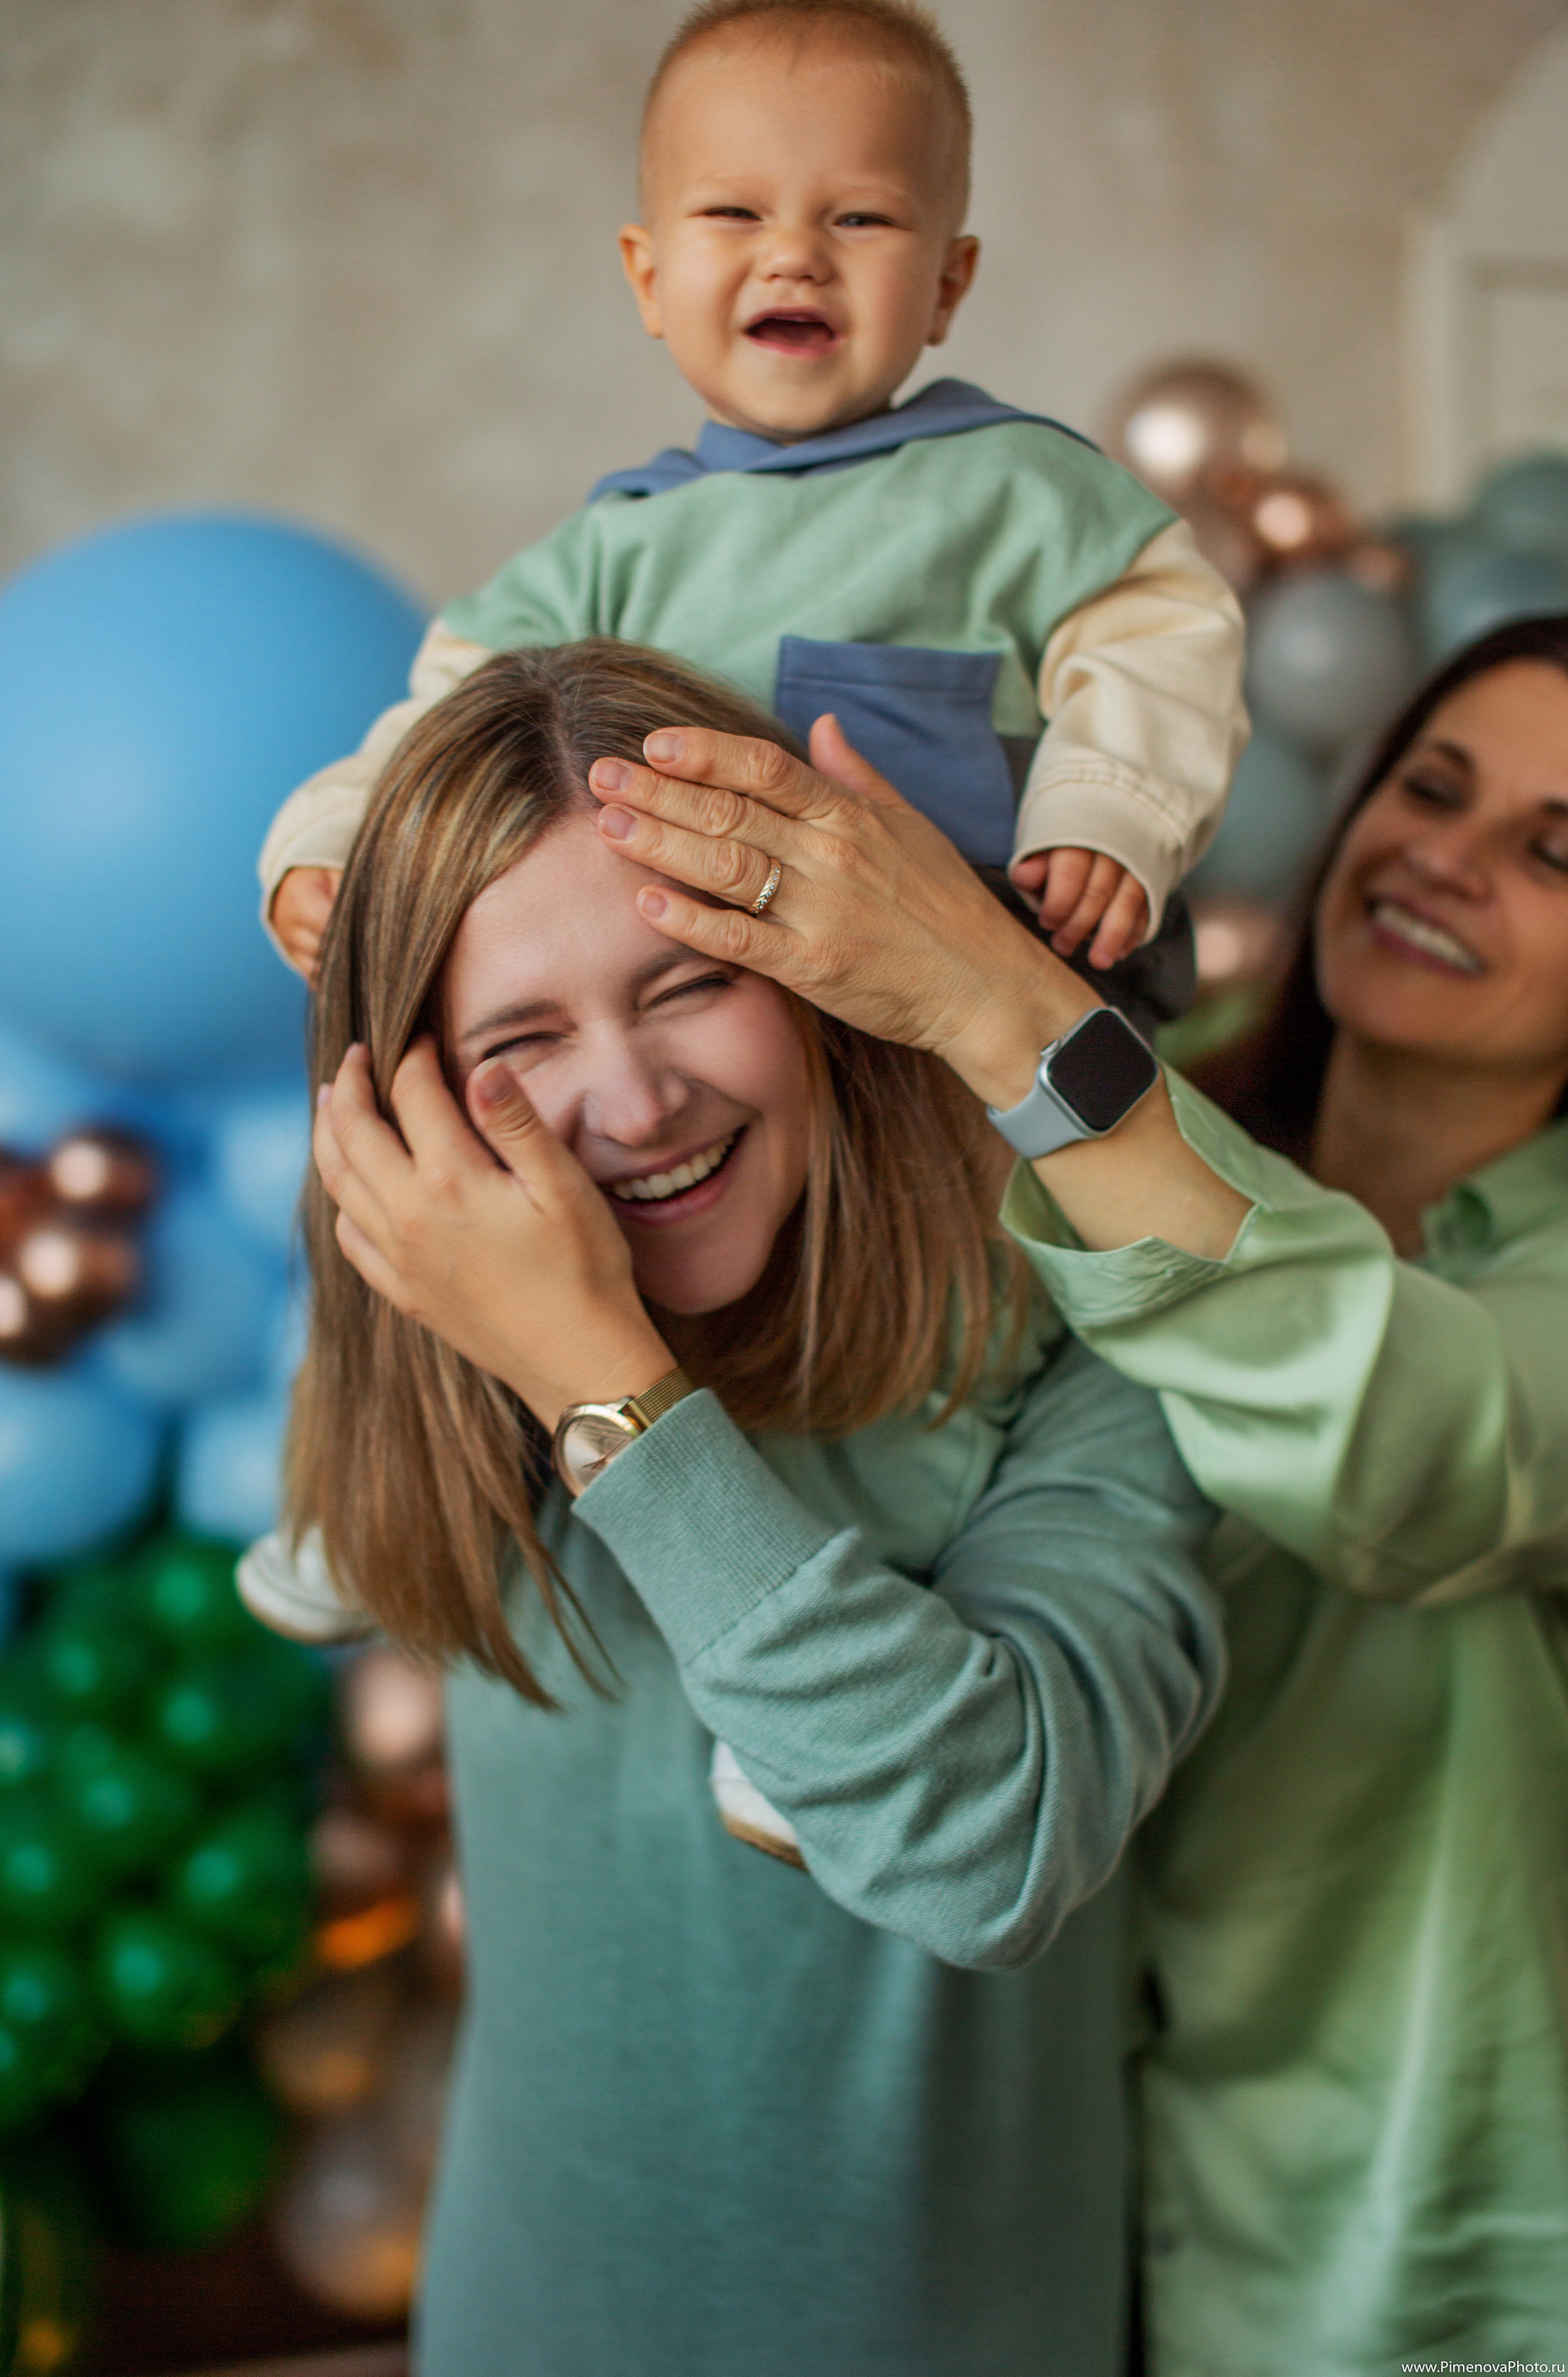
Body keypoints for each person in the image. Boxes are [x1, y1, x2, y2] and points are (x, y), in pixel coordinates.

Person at [590, 612, 1568, 2374]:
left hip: (1445, 2265)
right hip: (1084, 2213)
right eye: (1430, 786)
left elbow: (1396, 1443)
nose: (1446, 855)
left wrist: (983, 990)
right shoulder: (1127, 1122)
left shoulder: (1082, 1104)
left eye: (1553, 850)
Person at [291, 637, 1226, 2377]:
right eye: (524, 1039)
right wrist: (509, 1337)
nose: (639, 1104)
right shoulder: (466, 1331)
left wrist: (607, 1390)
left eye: (687, 983)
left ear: (814, 978)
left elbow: (991, 1855)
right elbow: (325, 1557)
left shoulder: (1084, 1328)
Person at [259, 0, 1246, 998]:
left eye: (859, 219)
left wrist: (1106, 806)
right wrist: (342, 839)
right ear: (649, 278)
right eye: (735, 212)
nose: (794, 257)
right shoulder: (607, 556)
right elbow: (453, 725)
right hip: (702, 1033)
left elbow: (1164, 642)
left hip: (969, 1018)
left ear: (948, 285)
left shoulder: (1023, 490)